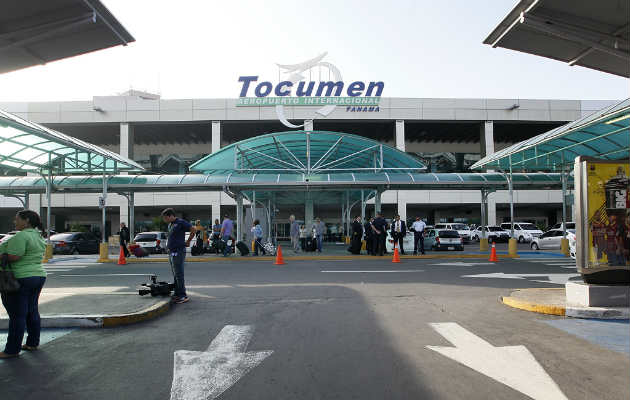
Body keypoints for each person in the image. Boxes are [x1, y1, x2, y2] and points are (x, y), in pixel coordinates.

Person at [0, 210, 46, 358]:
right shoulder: (38, 235)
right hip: (38, 275)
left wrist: (3, 255)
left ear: (26, 221)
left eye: (17, 219)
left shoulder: (21, 236)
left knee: (17, 315)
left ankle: (12, 350)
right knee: (32, 310)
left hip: (20, 278)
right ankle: (32, 343)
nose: (15, 222)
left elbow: (15, 256)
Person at [161, 208, 195, 304]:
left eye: (165, 218)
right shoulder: (170, 224)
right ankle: (177, 293)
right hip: (172, 252)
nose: (165, 220)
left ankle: (183, 295)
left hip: (179, 251)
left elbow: (193, 230)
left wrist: (188, 241)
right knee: (175, 274)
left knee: (179, 274)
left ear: (171, 215)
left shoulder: (180, 222)